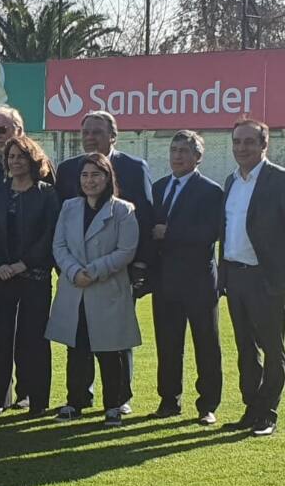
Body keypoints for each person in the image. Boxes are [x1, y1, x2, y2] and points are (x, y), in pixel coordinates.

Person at [54, 110, 152, 415]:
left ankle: (118, 399)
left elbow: (143, 224)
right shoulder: (68, 173)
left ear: (113, 135)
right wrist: (70, 270)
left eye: (97, 132)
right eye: (85, 132)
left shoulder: (133, 172)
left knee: (114, 342)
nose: (90, 137)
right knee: (78, 341)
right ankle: (79, 398)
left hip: (112, 279)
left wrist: (138, 268)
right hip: (75, 281)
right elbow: (59, 239)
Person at [46, 152, 141, 427]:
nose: (90, 180)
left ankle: (114, 405)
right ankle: (75, 401)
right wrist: (74, 271)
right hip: (75, 287)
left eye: (96, 175)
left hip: (106, 287)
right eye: (85, 175)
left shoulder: (123, 210)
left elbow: (126, 250)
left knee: (110, 350)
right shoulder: (69, 207)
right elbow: (58, 246)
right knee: (76, 347)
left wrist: (94, 270)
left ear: (107, 177)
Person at [0, 135, 60, 416]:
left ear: (32, 160)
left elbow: (49, 234)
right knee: (0, 337)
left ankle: (37, 400)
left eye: (20, 157)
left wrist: (23, 264)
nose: (15, 162)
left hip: (34, 276)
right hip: (1, 277)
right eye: (11, 157)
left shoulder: (47, 194)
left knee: (34, 338)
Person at [150, 131, 223, 425]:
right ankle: (169, 401)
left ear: (198, 157)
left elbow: (209, 234)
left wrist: (170, 234)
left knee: (206, 345)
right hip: (165, 281)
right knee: (168, 346)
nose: (177, 156)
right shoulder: (158, 187)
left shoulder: (211, 190)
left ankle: (207, 406)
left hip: (199, 282)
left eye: (184, 151)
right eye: (173, 149)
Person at [219, 118, 285, 437]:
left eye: (248, 142)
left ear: (263, 145)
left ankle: (268, 412)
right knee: (245, 348)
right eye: (236, 142)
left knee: (273, 348)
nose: (241, 148)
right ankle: (252, 408)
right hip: (236, 277)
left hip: (266, 279)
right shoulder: (231, 182)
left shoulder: (279, 180)